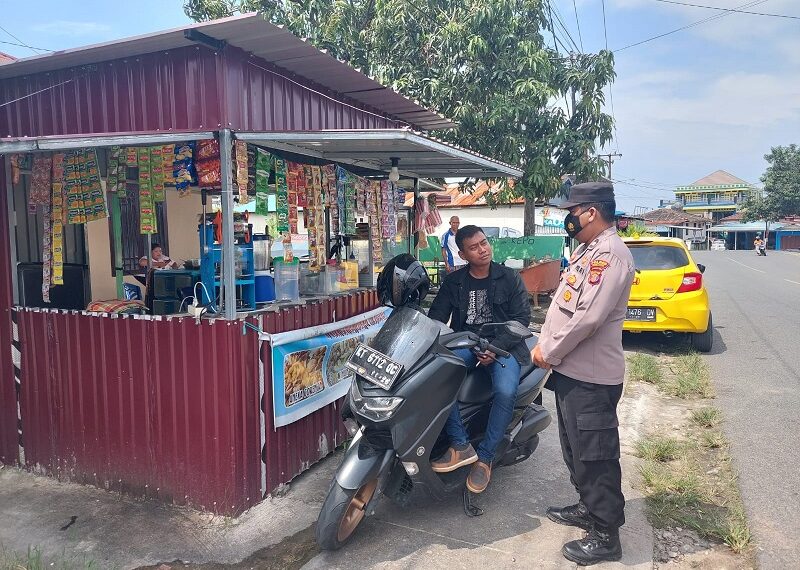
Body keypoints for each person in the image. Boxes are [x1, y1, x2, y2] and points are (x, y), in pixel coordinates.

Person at [531, 182, 635, 566]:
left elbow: (588, 319)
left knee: (596, 456)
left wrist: (548, 351)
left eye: (571, 212)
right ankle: (587, 506)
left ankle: (606, 535)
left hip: (591, 378)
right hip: (573, 373)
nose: (568, 219)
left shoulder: (611, 256)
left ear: (591, 211)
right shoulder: (588, 250)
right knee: (575, 449)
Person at [428, 225, 532, 493]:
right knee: (434, 376)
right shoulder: (454, 281)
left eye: (484, 243)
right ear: (463, 255)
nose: (483, 250)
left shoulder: (510, 277)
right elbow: (436, 317)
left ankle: (485, 459)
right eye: (474, 247)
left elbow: (522, 319)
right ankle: (460, 444)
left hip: (505, 346)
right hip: (467, 343)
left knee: (505, 391)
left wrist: (495, 348)